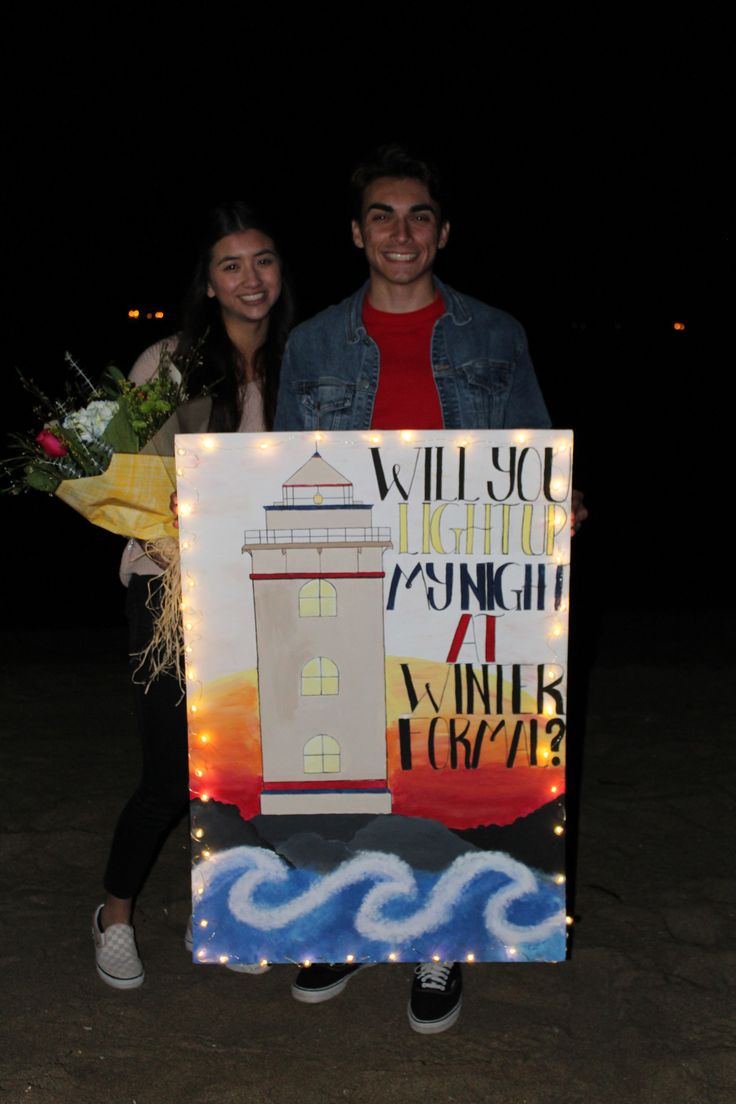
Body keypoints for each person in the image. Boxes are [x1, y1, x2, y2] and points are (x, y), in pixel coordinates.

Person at [275, 143, 579, 1034]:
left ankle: (441, 936)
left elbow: (531, 448)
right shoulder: (315, 342)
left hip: (460, 591)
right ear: (356, 233)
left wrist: (561, 504)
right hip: (351, 582)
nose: (399, 233)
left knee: (450, 758)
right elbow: (287, 464)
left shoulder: (495, 333)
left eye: (416, 216)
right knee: (348, 765)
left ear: (442, 232)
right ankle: (350, 923)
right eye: (381, 216)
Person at [92, 203, 294, 989]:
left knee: (249, 769)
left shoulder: (300, 365)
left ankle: (239, 916)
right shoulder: (170, 361)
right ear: (208, 283)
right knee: (171, 777)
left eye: (265, 261)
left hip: (267, 592)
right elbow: (112, 471)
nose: (252, 280)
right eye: (232, 266)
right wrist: (183, 557)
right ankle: (113, 916)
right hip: (168, 592)